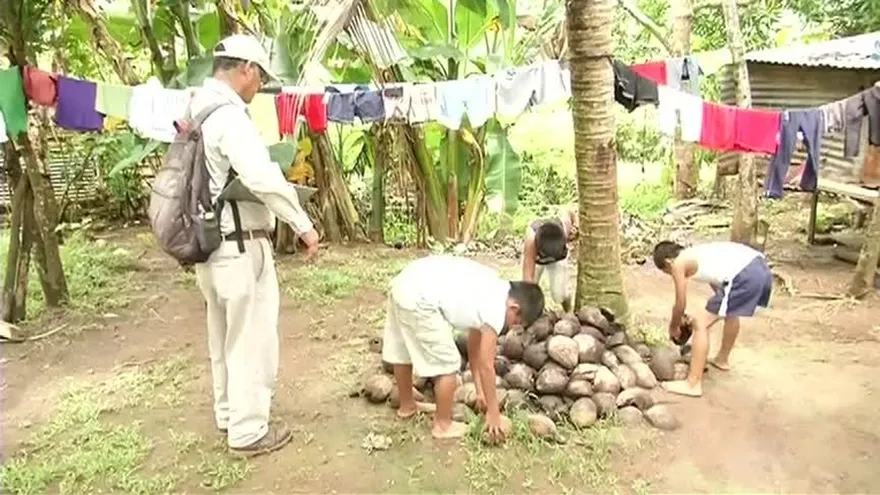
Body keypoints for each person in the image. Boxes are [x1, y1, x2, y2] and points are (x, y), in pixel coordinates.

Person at [191, 34, 320, 456]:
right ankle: (248, 432)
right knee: (250, 338)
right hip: (239, 246)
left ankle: (229, 415)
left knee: (223, 335)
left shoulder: (195, 107)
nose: (258, 85)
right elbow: (262, 178)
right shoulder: (228, 116)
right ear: (245, 68)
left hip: (209, 245)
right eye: (258, 75)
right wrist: (302, 223)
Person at [383, 255, 545, 441]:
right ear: (514, 308)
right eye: (516, 322)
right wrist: (493, 413)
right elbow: (486, 365)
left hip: (405, 282)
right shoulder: (497, 309)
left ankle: (407, 406)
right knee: (449, 364)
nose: (511, 327)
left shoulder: (494, 286)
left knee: (402, 350)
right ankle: (443, 426)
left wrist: (480, 391)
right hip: (421, 299)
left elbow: (474, 347)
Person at [652, 240, 772, 397]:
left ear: (668, 263)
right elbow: (720, 293)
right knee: (730, 311)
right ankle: (722, 360)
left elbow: (680, 303)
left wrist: (674, 326)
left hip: (745, 275)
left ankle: (693, 384)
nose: (672, 275)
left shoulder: (679, 263)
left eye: (667, 272)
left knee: (700, 323)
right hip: (760, 268)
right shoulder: (699, 253)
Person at [521, 205, 578, 312]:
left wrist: (576, 223)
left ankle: (568, 309)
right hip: (537, 261)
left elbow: (570, 210)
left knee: (559, 295)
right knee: (530, 291)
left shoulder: (565, 226)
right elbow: (528, 277)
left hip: (559, 259)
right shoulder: (531, 240)